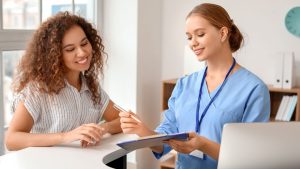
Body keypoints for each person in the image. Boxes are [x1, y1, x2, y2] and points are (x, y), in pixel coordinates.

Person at [119, 3, 270, 169]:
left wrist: (203, 145)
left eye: (200, 34)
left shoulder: (254, 89)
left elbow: (250, 158)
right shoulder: (184, 84)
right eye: (189, 37)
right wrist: (143, 131)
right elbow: (164, 144)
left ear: (223, 33)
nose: (193, 43)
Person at [5, 12, 122, 151]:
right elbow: (11, 140)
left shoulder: (91, 88)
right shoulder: (37, 91)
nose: (82, 52)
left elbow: (125, 120)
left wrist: (102, 128)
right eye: (70, 49)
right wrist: (67, 136)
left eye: (84, 43)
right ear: (55, 56)